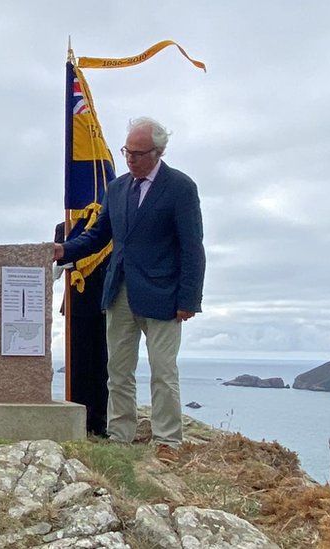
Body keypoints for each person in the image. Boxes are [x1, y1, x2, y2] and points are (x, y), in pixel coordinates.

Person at [53, 117, 204, 463]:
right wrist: (66, 250)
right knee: (118, 369)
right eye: (127, 152)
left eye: (138, 154)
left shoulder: (180, 187)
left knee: (163, 371)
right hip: (118, 290)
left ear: (158, 152)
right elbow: (99, 234)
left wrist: (189, 299)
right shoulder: (117, 188)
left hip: (164, 295)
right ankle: (120, 434)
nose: (131, 159)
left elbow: (192, 247)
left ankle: (167, 440)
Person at [54, 222, 109, 438]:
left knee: (106, 364)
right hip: (78, 298)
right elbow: (59, 263)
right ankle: (80, 418)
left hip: (109, 300)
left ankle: (102, 420)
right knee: (79, 363)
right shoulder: (68, 225)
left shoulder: (113, 221)